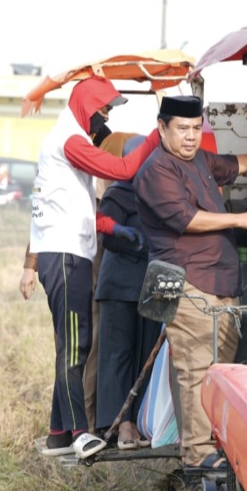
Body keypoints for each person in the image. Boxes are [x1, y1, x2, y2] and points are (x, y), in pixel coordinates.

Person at [24, 75, 159, 460]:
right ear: (86, 107)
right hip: (66, 257)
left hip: (69, 253)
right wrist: (156, 134)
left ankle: (57, 434)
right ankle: (81, 434)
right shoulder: (69, 142)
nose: (104, 120)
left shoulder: (68, 139)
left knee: (73, 345)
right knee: (75, 346)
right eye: (102, 111)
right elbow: (123, 169)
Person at [134, 95, 247, 468]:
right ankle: (198, 457)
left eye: (197, 128)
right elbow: (188, 219)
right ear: (162, 128)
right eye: (182, 129)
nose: (191, 137)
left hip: (221, 283)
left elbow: (232, 166)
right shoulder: (155, 171)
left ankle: (213, 447)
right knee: (197, 370)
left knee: (218, 374)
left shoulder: (197, 159)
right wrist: (242, 219)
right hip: (188, 284)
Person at [96, 134, 163, 450]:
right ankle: (120, 425)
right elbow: (107, 236)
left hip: (152, 287)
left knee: (145, 357)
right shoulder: (118, 194)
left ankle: (138, 422)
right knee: (119, 356)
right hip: (120, 285)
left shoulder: (159, 196)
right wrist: (138, 241)